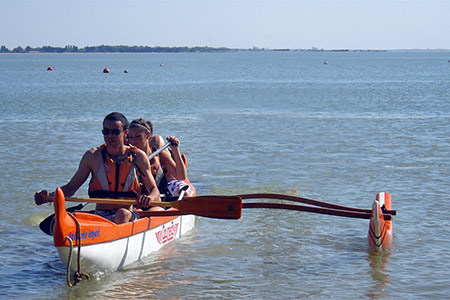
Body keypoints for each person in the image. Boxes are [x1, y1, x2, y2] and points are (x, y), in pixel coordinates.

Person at [34, 112, 162, 224]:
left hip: (127, 215)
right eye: (106, 132)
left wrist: (149, 198)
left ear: (125, 133)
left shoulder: (138, 156)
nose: (110, 136)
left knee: (121, 214)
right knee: (74, 217)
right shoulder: (92, 156)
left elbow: (154, 192)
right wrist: (48, 197)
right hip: (100, 214)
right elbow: (70, 189)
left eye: (115, 132)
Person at [127, 118, 193, 197]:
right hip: (135, 198)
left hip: (158, 197)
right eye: (130, 137)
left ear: (148, 135)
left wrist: (175, 150)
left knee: (185, 194)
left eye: (138, 136)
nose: (133, 141)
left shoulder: (159, 154)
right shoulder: (126, 155)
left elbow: (181, 176)